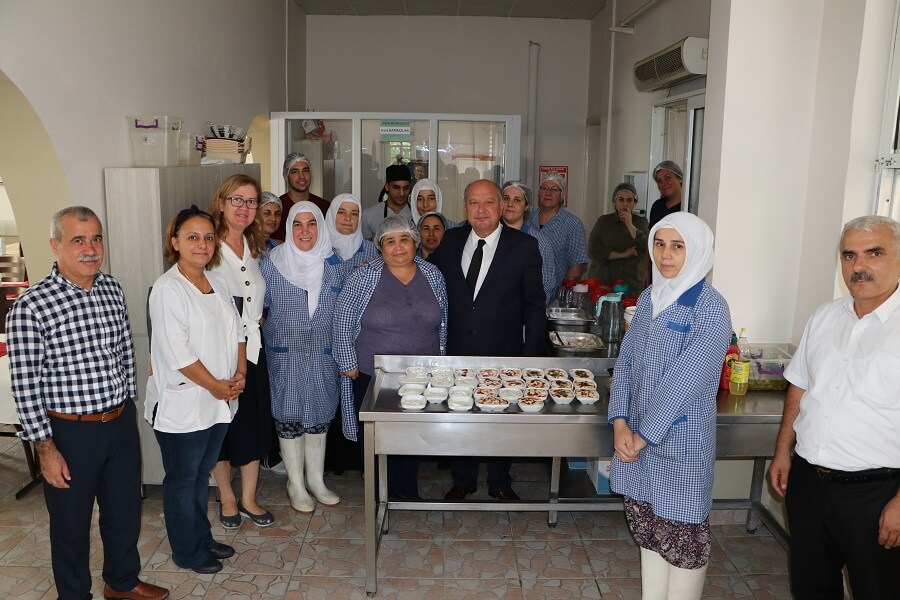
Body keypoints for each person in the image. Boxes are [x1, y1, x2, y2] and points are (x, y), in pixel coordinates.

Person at [7, 206, 168, 600]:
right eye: (78, 240)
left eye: (96, 238)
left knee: (124, 512)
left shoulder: (111, 288)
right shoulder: (32, 307)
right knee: (70, 524)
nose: (90, 248)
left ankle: (122, 582)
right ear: (55, 245)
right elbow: (24, 386)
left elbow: (124, 348)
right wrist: (45, 448)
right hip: (68, 432)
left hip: (117, 422)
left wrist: (128, 398)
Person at [768, 215, 900, 598]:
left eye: (874, 253)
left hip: (878, 492)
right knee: (811, 587)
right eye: (849, 255)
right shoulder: (826, 316)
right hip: (810, 484)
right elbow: (800, 387)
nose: (859, 266)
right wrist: (782, 453)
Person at [608, 212, 731, 600]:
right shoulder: (648, 298)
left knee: (682, 546)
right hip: (635, 444)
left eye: (678, 246)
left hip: (680, 447)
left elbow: (686, 382)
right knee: (648, 533)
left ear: (696, 252)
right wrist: (620, 423)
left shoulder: (710, 308)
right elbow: (626, 363)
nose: (665, 255)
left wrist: (642, 435)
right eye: (659, 244)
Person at [429, 179, 546, 501]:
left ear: (501, 206)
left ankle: (500, 481)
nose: (481, 210)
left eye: (489, 203)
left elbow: (535, 305)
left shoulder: (524, 247)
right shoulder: (450, 242)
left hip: (504, 352)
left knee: (500, 420)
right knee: (460, 416)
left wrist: (530, 356)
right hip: (456, 351)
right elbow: (431, 287)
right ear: (465, 208)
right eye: (473, 203)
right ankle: (463, 479)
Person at [146, 206, 244, 575]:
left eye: (207, 237)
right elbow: (179, 354)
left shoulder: (215, 281)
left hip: (217, 400)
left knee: (201, 475)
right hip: (182, 404)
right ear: (175, 242)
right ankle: (187, 550)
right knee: (182, 481)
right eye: (192, 237)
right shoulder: (167, 289)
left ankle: (201, 539)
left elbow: (237, 331)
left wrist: (239, 374)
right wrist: (219, 385)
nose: (202, 244)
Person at [334, 215, 448, 499]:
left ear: (415, 242)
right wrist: (348, 362)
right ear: (380, 247)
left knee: (411, 435)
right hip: (374, 376)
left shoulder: (432, 274)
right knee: (377, 438)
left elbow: (443, 321)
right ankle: (378, 494)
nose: (398, 247)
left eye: (405, 240)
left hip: (422, 375)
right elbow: (342, 320)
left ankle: (406, 493)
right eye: (390, 241)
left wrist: (442, 361)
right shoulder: (363, 275)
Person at [260, 201, 355, 513]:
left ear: (320, 227)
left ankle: (315, 479)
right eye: (297, 224)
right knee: (289, 416)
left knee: (319, 417)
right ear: (289, 228)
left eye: (311, 223)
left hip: (324, 355)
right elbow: (257, 310)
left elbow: (347, 311)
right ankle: (295, 483)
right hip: (285, 355)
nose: (304, 231)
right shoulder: (270, 264)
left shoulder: (336, 265)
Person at [206, 174, 274, 530]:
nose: (245, 208)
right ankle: (227, 496)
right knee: (223, 426)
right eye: (237, 200)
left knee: (251, 425)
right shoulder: (207, 247)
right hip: (219, 354)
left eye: (251, 202)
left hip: (253, 351)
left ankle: (248, 497)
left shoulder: (255, 246)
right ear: (221, 203)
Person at [524, 173, 589, 304]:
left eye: (555, 189)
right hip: (525, 291)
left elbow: (577, 266)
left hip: (555, 298)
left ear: (562, 196)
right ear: (539, 193)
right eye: (544, 188)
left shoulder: (573, 224)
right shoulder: (526, 220)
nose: (548, 193)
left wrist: (563, 298)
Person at [587, 182, 650, 295]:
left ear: (634, 204)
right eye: (621, 200)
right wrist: (621, 254)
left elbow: (647, 247)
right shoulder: (603, 221)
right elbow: (593, 250)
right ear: (615, 203)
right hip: (604, 282)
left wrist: (630, 225)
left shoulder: (641, 222)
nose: (625, 204)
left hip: (631, 284)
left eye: (629, 200)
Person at [274, 152, 330, 241]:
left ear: (311, 174)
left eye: (305, 170)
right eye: (295, 171)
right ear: (285, 176)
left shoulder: (324, 207)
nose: (302, 176)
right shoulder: (277, 209)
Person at [324, 193, 378, 269]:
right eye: (342, 212)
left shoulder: (371, 250)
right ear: (331, 215)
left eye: (354, 214)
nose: (348, 218)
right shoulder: (320, 248)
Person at [361, 164, 413, 240]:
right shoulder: (369, 215)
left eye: (406, 188)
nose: (402, 193)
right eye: (396, 188)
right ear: (387, 186)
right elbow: (365, 248)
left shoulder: (416, 214)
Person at [648, 160, 684, 228]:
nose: (663, 183)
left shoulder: (686, 207)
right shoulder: (657, 206)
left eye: (667, 177)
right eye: (659, 180)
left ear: (680, 178)